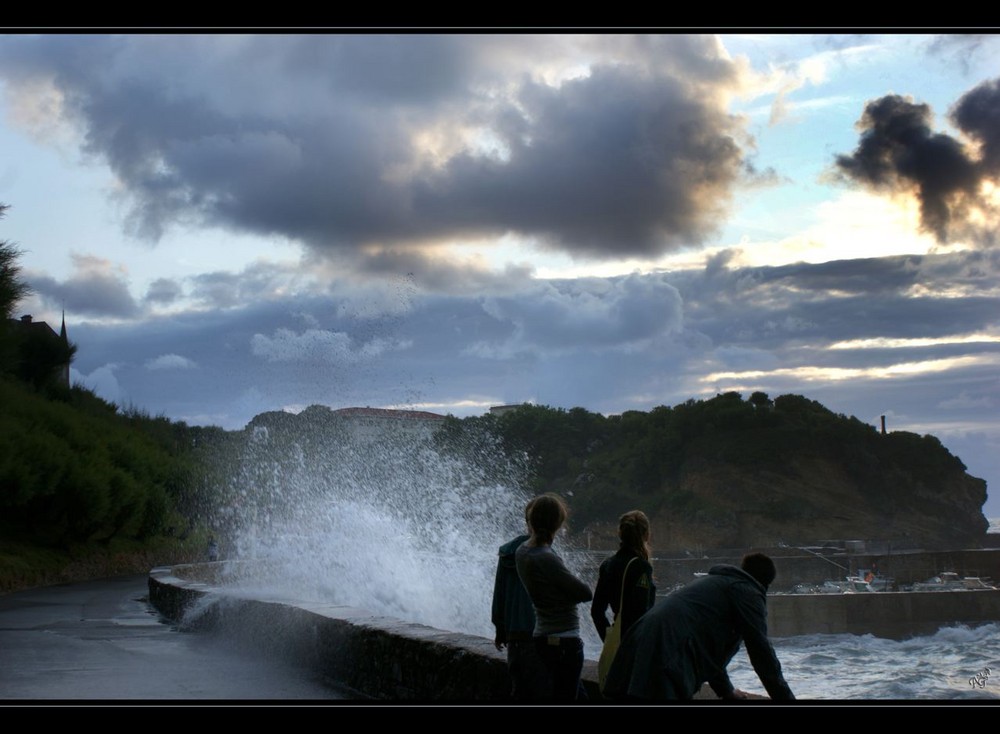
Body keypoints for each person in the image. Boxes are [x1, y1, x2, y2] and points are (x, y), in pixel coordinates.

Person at [602, 552, 795, 701]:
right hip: (666, 654)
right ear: (765, 584)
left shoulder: (715, 583)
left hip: (638, 643)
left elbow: (711, 650)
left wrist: (727, 691)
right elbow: (762, 654)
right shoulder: (747, 592)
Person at [515, 493, 593, 701]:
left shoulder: (522, 551)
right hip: (564, 640)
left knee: (578, 696)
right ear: (558, 524)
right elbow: (585, 593)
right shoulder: (546, 557)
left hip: (542, 635)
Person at [491, 497, 551, 700]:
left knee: (520, 690)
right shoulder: (544, 552)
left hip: (514, 634)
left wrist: (500, 628)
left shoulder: (508, 552)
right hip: (539, 635)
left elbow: (499, 593)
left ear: (528, 521)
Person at [591, 510, 656, 644]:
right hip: (637, 643)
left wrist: (609, 641)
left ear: (620, 534)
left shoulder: (607, 565)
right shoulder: (641, 567)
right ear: (646, 535)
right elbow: (641, 612)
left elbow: (597, 611)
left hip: (618, 638)